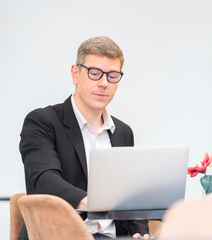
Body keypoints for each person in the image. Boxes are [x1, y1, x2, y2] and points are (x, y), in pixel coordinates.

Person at [19, 36, 149, 239]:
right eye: (95, 73)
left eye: (113, 75)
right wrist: (93, 203)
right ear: (75, 74)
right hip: (61, 234)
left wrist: (141, 233)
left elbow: (128, 197)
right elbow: (45, 181)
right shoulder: (42, 122)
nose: (104, 83)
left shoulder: (123, 132)